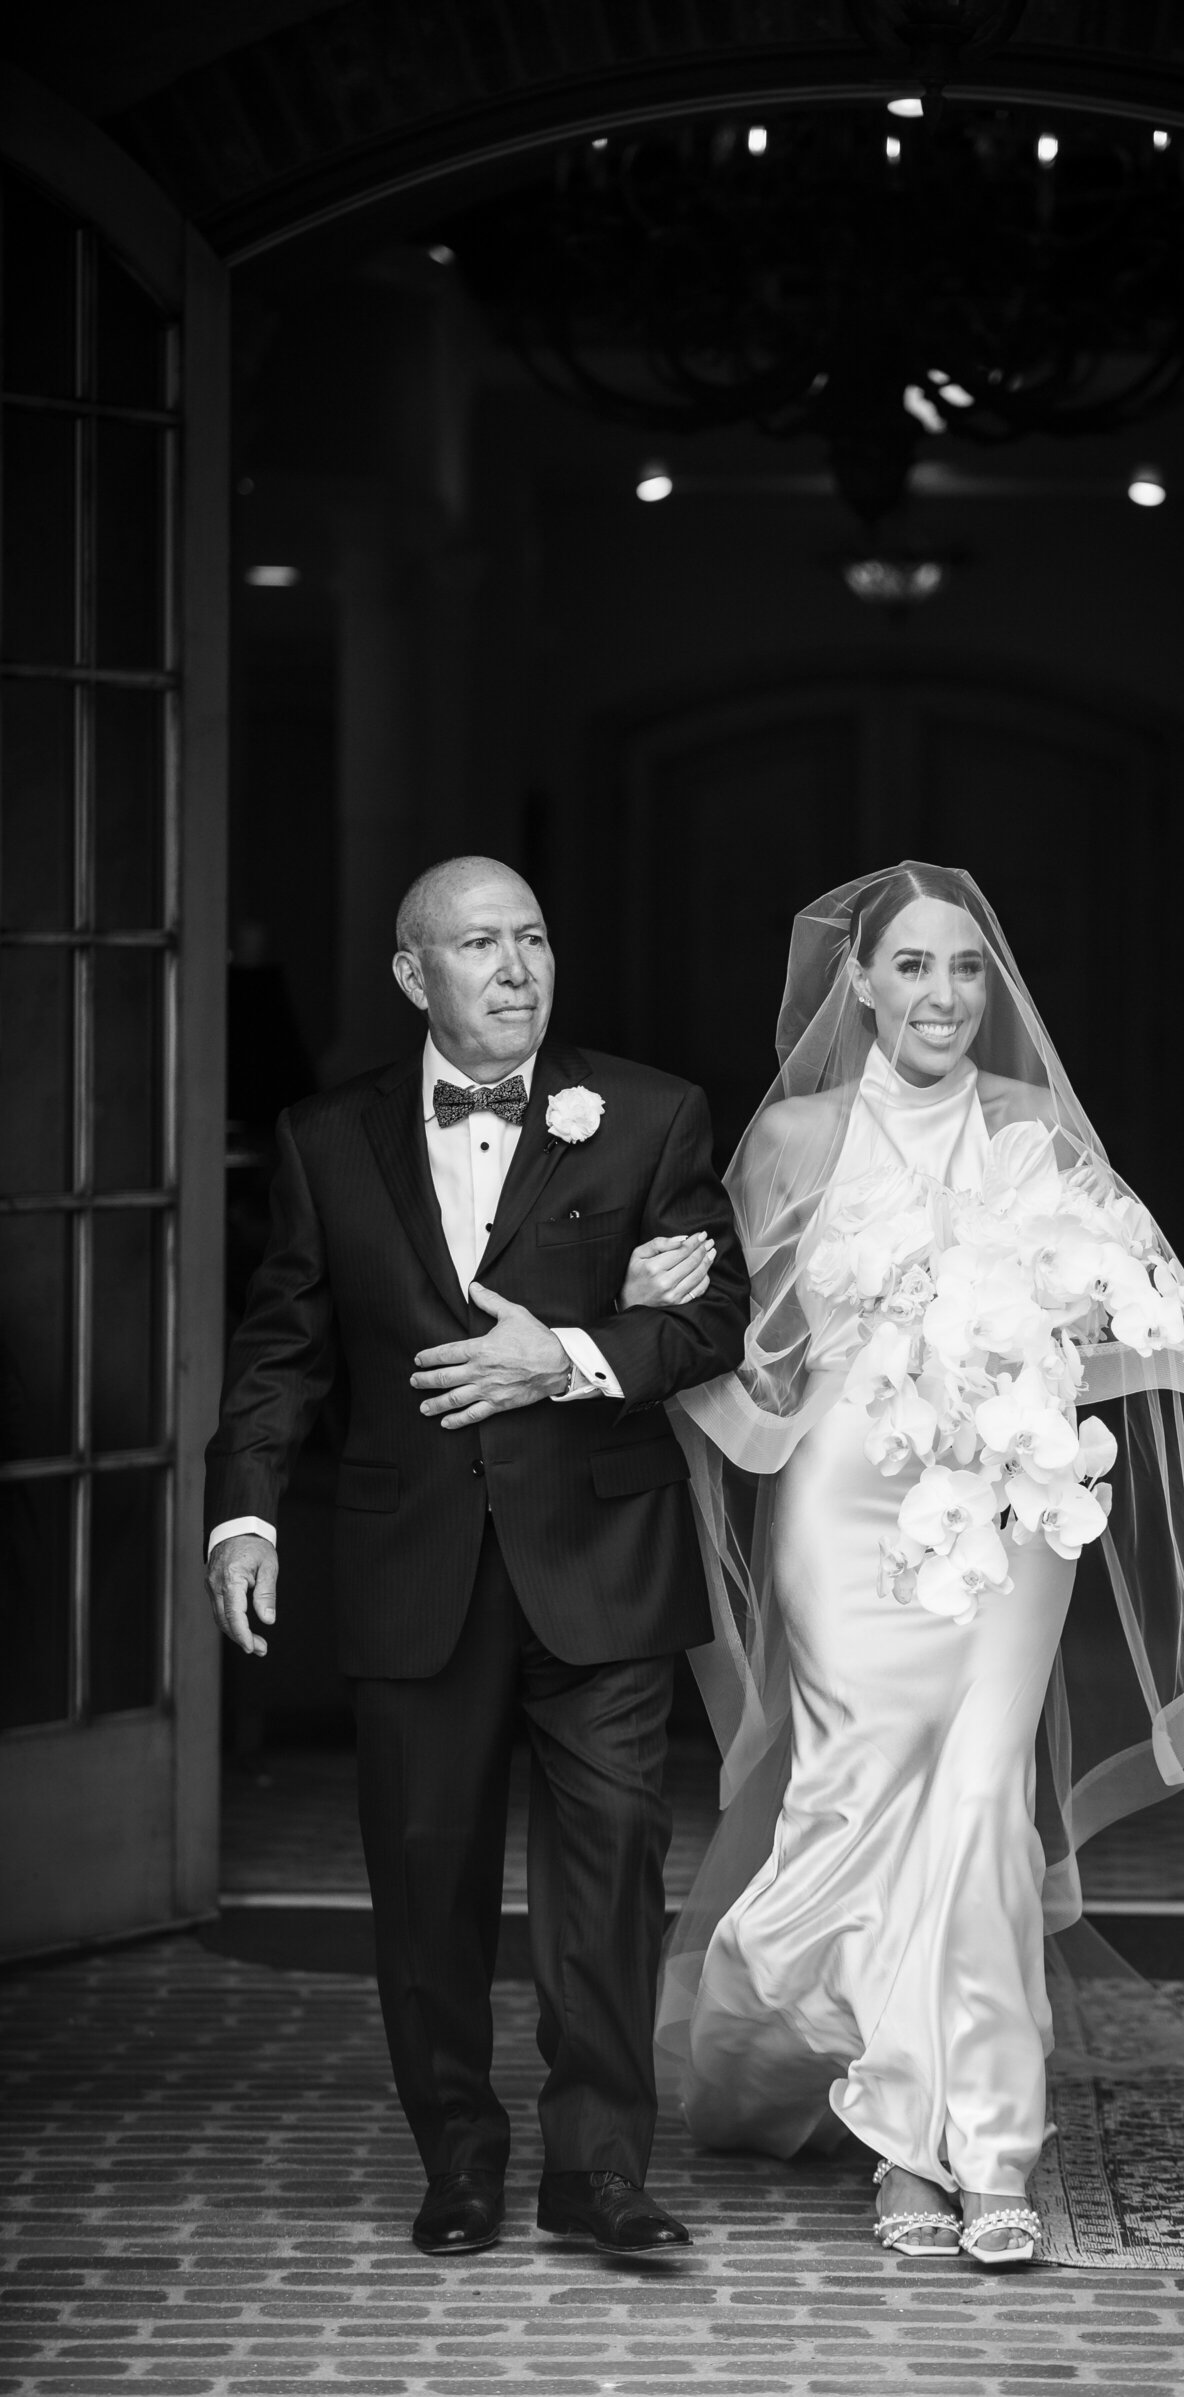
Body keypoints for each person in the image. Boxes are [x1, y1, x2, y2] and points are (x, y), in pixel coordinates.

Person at [655, 862, 1184, 2269]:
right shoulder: (794, 1142)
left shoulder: (1038, 1135)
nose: (942, 995)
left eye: (965, 971)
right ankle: (828, 2061)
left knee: (980, 1812)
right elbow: (731, 1331)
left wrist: (1041, 1342)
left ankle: (961, 2147)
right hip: (843, 1508)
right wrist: (656, 1314)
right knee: (850, 1796)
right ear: (863, 985)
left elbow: (1136, 1308)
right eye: (915, 969)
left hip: (1009, 1505)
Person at [204, 855, 749, 2258]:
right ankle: (456, 2155)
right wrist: (246, 1511)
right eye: (479, 944)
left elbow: (714, 1324)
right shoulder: (327, 1138)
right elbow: (284, 1346)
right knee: (425, 1874)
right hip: (413, 1562)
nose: (516, 969)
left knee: (613, 1865)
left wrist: (559, 1356)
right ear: (412, 975)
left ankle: (599, 2170)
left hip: (602, 1554)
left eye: (534, 939)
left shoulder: (650, 1112)